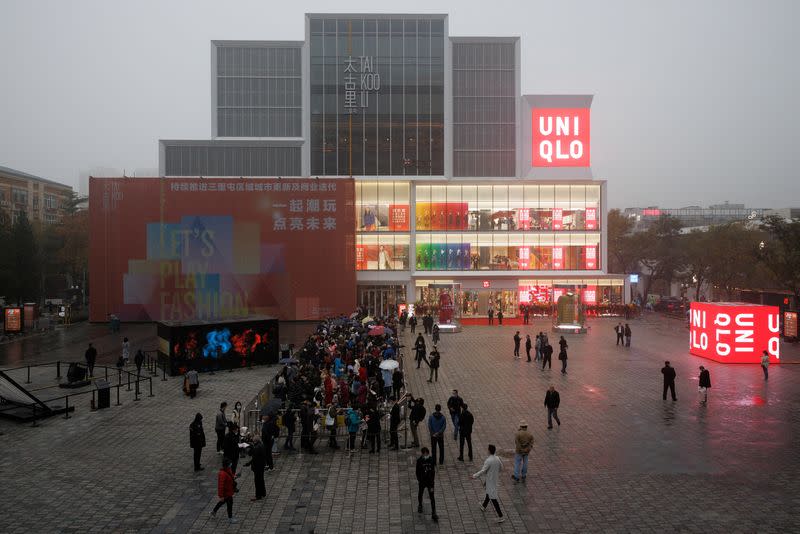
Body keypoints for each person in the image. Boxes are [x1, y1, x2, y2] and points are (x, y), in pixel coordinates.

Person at [473, 444, 505, 524]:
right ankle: (483, 506)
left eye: (487, 449)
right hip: (494, 480)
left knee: (493, 498)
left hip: (490, 481)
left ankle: (501, 516)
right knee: (489, 493)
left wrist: (474, 476)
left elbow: (483, 471)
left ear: (489, 451)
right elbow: (501, 468)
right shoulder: (497, 458)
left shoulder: (488, 460)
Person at [210, 457, 237, 524]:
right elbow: (220, 486)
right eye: (230, 463)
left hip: (229, 491)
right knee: (229, 505)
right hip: (226, 492)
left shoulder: (228, 470)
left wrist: (234, 476)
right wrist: (221, 496)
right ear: (227, 465)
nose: (231, 464)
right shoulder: (222, 474)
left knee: (222, 502)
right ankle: (230, 518)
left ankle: (214, 511)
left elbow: (231, 475)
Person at [416, 446, 438, 522]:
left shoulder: (431, 460)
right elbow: (417, 471)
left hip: (430, 482)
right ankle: (420, 505)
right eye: (424, 454)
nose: (425, 455)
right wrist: (419, 479)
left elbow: (433, 471)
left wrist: (432, 480)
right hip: (422, 481)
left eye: (426, 454)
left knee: (432, 496)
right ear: (422, 454)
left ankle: (434, 512)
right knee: (420, 493)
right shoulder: (419, 461)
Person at [245, 435, 267, 501]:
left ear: (255, 441)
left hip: (257, 467)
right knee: (261, 480)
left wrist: (248, 463)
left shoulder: (257, 448)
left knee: (257, 481)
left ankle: (258, 495)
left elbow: (254, 457)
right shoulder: (261, 445)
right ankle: (263, 493)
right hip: (261, 465)